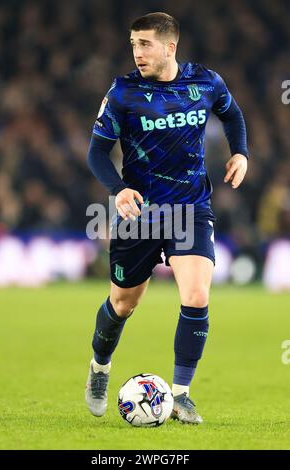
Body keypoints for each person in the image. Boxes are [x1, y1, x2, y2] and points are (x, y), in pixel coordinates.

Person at [86, 12, 248, 424]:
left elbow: (232, 114)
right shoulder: (123, 92)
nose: (137, 52)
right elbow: (96, 153)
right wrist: (118, 190)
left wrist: (240, 152)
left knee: (196, 296)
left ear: (169, 47)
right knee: (123, 304)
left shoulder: (206, 83)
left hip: (191, 208)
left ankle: (181, 395)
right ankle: (100, 368)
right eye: (133, 44)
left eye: (145, 44)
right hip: (141, 214)